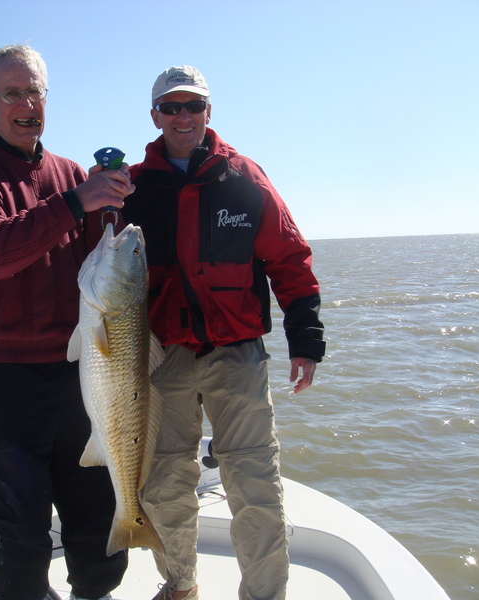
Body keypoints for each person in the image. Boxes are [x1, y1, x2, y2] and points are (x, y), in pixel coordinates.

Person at [0, 45, 135, 600]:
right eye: (11, 94)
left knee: (94, 497)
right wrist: (76, 202)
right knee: (17, 511)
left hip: (79, 368)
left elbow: (100, 263)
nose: (26, 104)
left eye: (34, 91)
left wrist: (112, 205)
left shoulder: (70, 174)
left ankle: (95, 591)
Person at [121, 66, 326, 600]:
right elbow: (92, 263)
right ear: (155, 116)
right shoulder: (132, 187)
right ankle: (180, 586)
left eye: (193, 106)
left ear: (208, 112)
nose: (182, 116)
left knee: (255, 485)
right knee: (163, 483)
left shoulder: (244, 177)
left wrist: (305, 341)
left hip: (237, 355)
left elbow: (289, 258)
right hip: (162, 358)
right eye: (171, 107)